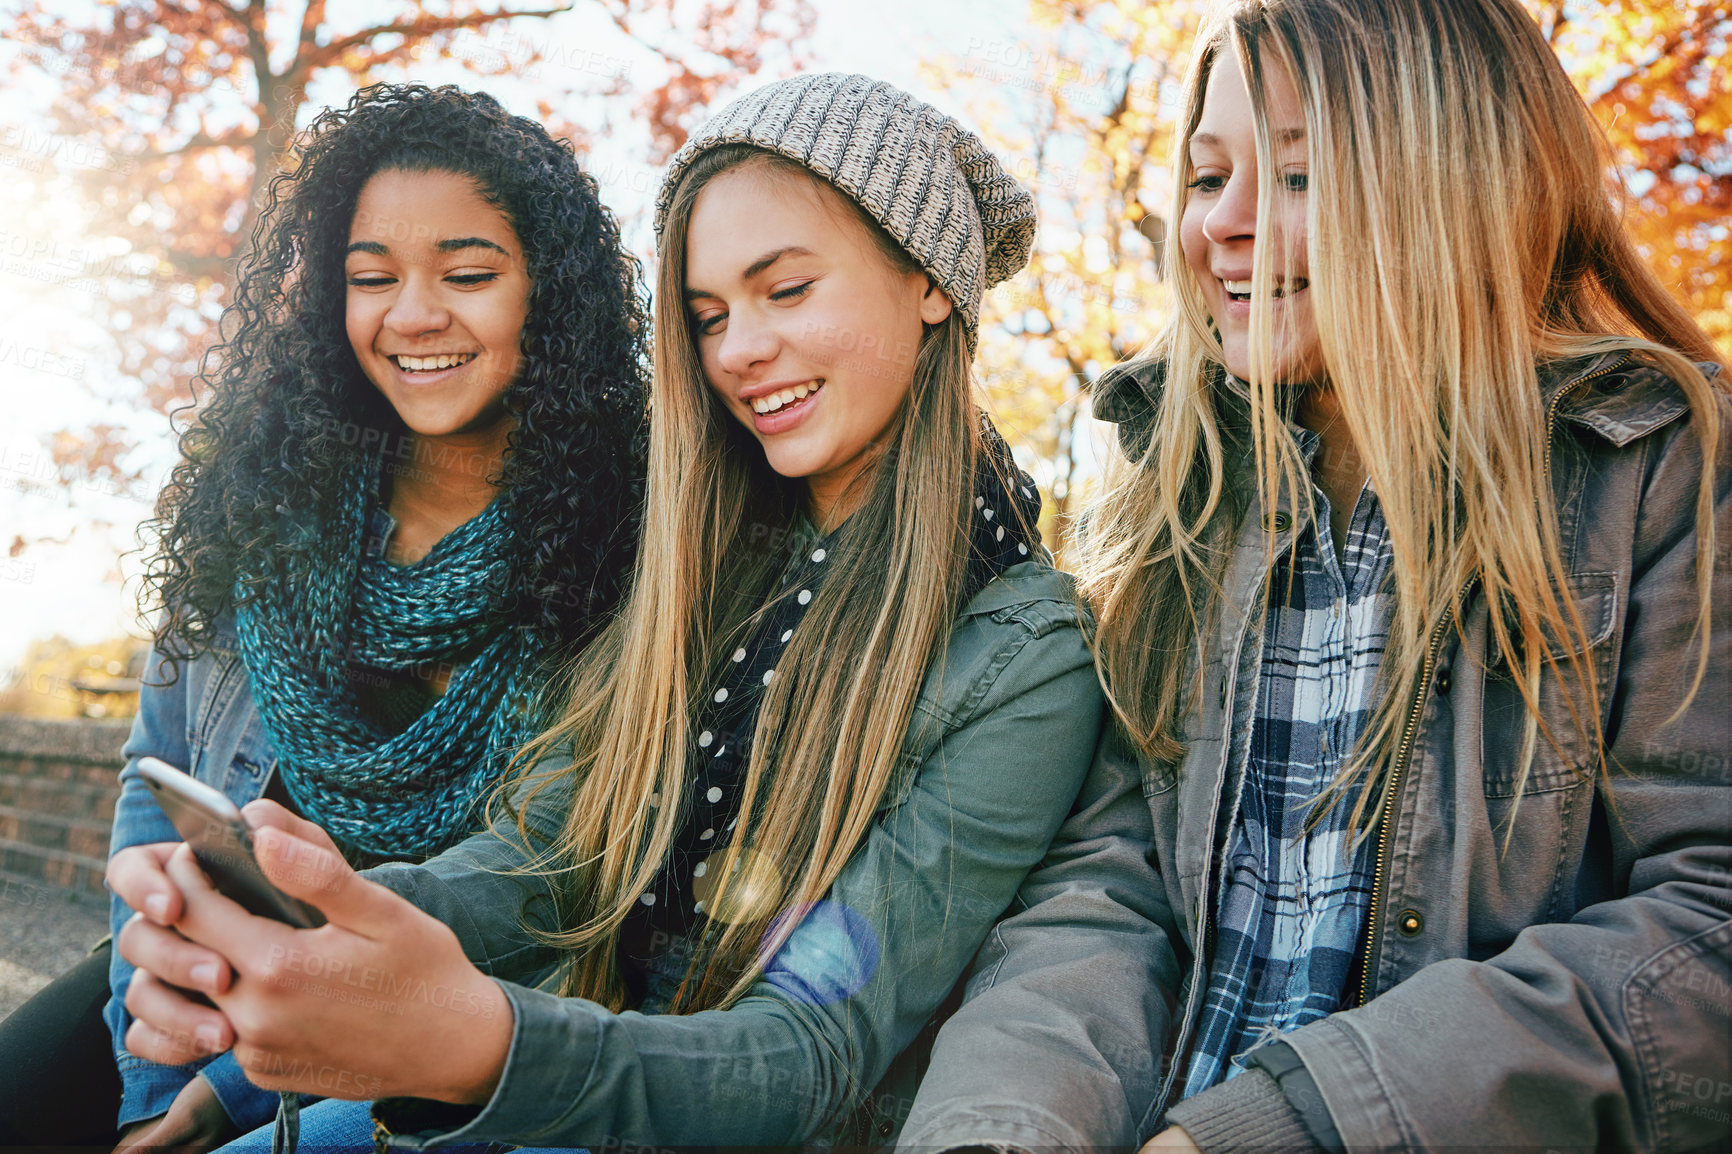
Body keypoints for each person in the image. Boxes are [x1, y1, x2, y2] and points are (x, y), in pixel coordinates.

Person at [107, 72, 1107, 1150]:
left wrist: (479, 1041)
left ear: (928, 282)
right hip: (530, 1088)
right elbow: (547, 857)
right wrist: (325, 926)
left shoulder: (1024, 656)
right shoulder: (693, 561)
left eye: (786, 291)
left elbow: (813, 1050)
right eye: (708, 315)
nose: (738, 351)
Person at [899, 0, 1731, 1150]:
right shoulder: (1175, 499)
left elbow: (1705, 926)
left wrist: (1277, 1125)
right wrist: (998, 1127)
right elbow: (1104, 889)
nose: (1221, 226)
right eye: (1206, 177)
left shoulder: (1667, 468)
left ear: (1454, 183)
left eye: (1298, 176)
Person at [0, 84, 649, 1150]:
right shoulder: (263, 503)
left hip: (432, 1016)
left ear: (552, 296)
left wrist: (230, 1100)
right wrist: (153, 1076)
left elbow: (550, 889)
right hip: (204, 970)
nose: (413, 313)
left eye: (469, 274)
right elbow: (155, 785)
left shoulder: (631, 546)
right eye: (371, 278)